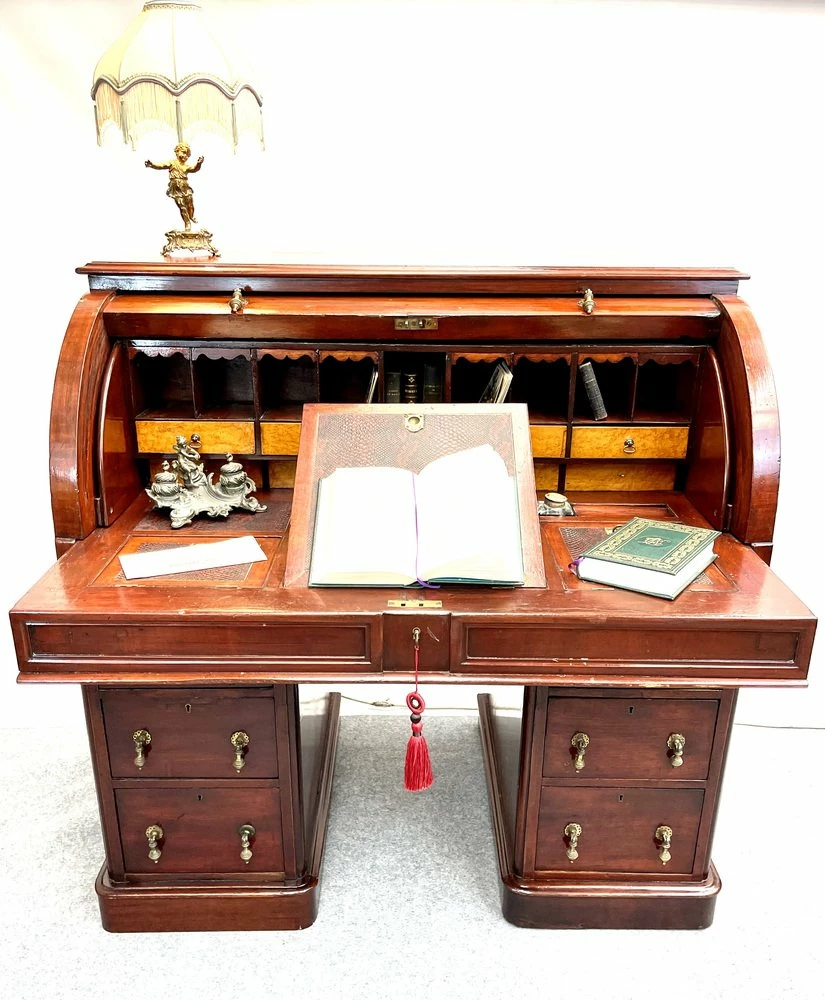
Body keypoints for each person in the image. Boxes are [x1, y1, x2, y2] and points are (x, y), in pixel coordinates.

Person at [145, 143, 204, 231]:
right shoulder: (172, 163)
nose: (185, 156)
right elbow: (162, 166)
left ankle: (191, 215)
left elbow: (194, 169)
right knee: (182, 206)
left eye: (187, 155)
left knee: (190, 204)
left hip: (185, 186)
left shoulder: (186, 166)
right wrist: (152, 165)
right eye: (184, 152)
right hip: (175, 188)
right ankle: (187, 222)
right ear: (177, 152)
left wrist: (199, 164)